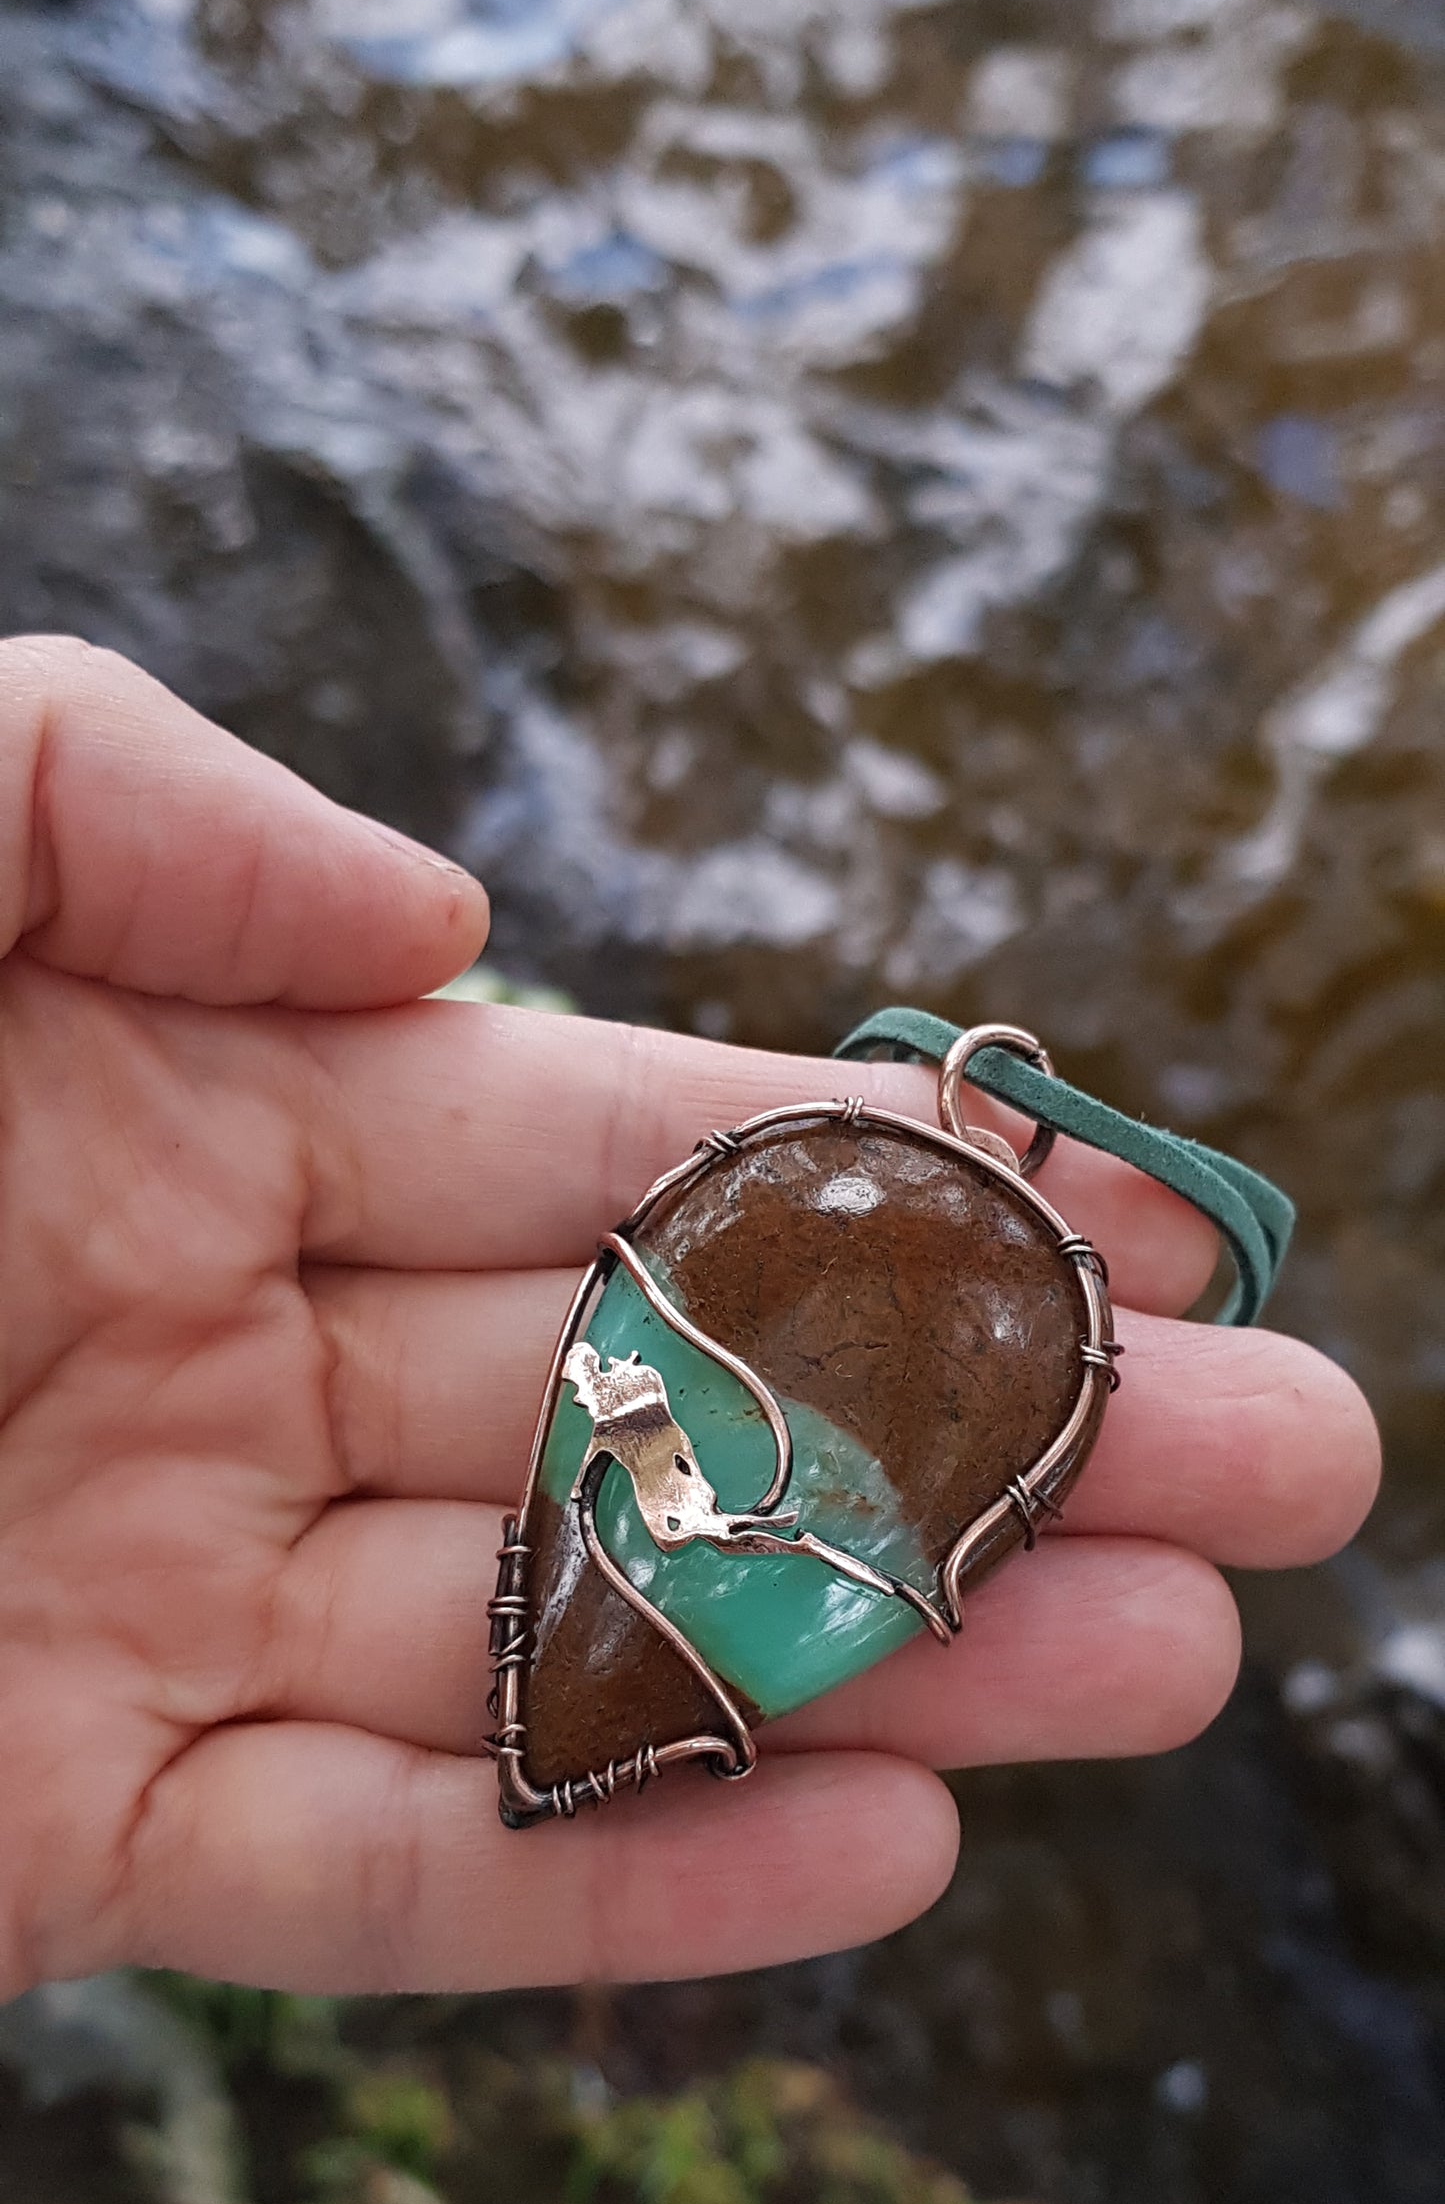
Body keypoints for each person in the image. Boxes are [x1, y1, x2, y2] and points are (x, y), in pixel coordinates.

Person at [0, 636, 1380, 2005]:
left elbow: (690, 1469)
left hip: (698, 1534)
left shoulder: (935, 1349)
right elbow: (652, 1440)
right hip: (662, 1525)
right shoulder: (700, 1353)